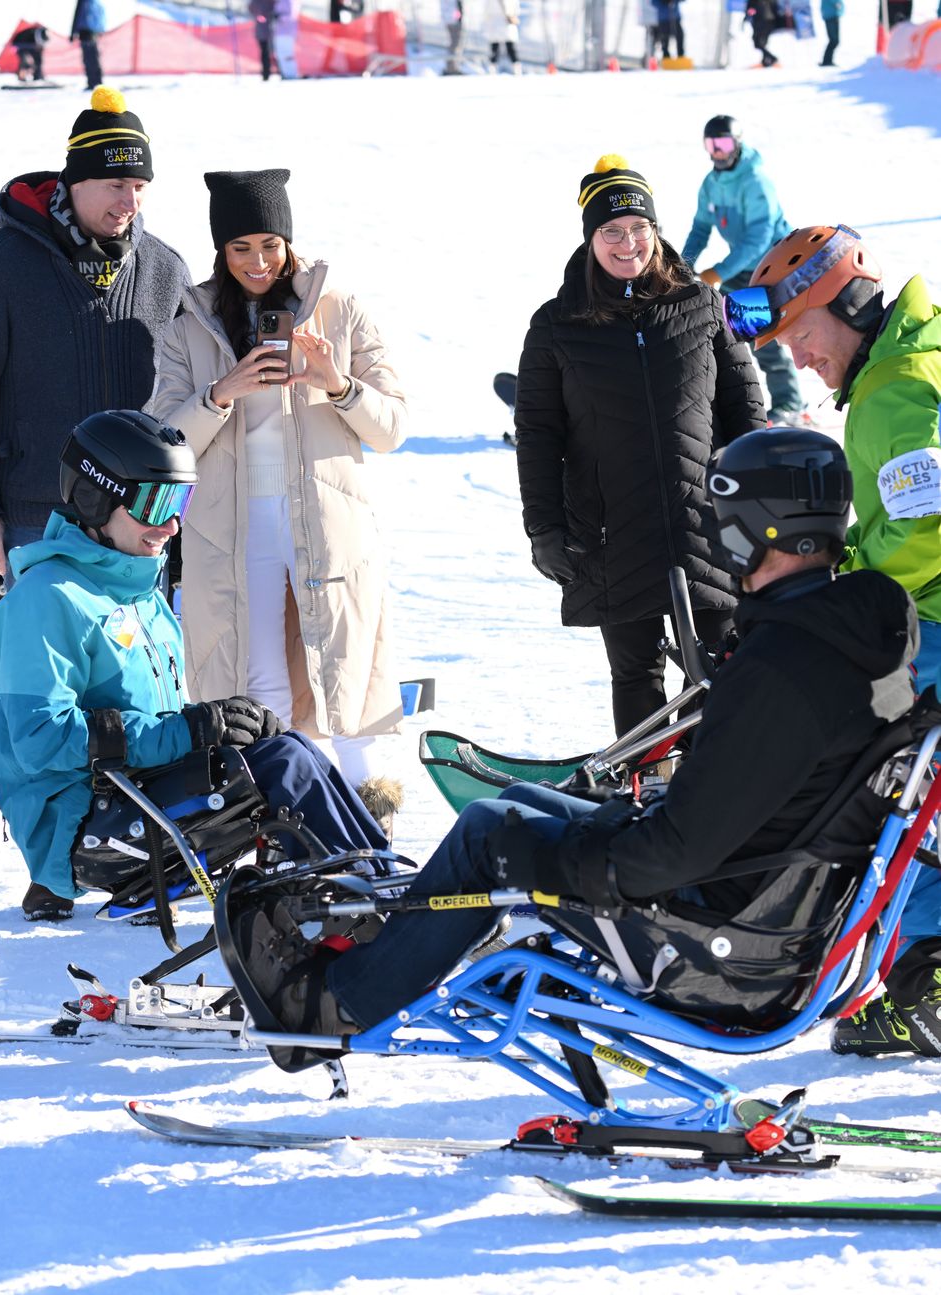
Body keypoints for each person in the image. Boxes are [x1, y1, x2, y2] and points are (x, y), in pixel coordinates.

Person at [225, 428, 921, 1062]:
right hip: (760, 917)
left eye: (724, 522)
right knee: (527, 802)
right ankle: (382, 955)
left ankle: (328, 1007)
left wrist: (563, 855)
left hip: (721, 952)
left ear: (756, 531)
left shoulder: (782, 674)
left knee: (490, 833)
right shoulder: (861, 647)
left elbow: (673, 853)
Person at [0, 411, 389, 922]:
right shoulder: (45, 602)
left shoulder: (137, 590)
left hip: (128, 795)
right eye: (155, 503)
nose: (171, 525)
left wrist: (215, 722)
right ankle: (373, 898)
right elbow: (40, 738)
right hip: (80, 826)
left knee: (287, 746)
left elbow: (154, 717)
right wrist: (191, 731)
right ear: (95, 499)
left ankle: (382, 877)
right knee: (281, 765)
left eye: (179, 503)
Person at [722, 225, 941, 1054]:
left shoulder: (894, 391)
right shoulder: (925, 343)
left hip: (932, 617)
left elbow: (923, 531)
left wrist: (845, 585)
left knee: (900, 795)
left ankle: (928, 981)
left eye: (803, 333)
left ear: (845, 302)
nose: (802, 356)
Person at [152, 170, 406, 790]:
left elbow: (392, 426)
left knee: (343, 673)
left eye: (269, 244)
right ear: (221, 252)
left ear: (289, 243)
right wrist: (220, 393)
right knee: (254, 676)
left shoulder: (340, 310)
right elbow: (162, 438)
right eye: (240, 249)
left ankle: (372, 813)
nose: (257, 262)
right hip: (232, 527)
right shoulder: (191, 322)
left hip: (325, 518)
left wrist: (338, 384)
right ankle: (279, 814)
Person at [515, 153, 765, 739]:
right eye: (611, 231)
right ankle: (644, 794)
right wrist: (543, 529)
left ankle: (712, 797)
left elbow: (745, 408)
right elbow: (538, 435)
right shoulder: (556, 325)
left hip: (708, 522)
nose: (627, 243)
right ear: (590, 237)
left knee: (725, 668)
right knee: (636, 674)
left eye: (638, 228)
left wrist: (759, 503)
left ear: (656, 230)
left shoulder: (702, 306)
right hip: (612, 531)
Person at [0, 87, 190, 587]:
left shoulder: (164, 269)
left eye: (139, 185)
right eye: (114, 184)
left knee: (128, 663)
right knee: (43, 661)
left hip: (138, 518)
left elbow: (186, 395)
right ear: (76, 180)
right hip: (35, 519)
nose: (129, 202)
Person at [681, 114, 804, 424]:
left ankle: (790, 403)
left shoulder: (755, 180)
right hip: (743, 266)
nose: (716, 151)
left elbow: (759, 238)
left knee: (761, 330)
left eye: (722, 144)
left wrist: (719, 271)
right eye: (711, 144)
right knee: (720, 325)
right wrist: (683, 265)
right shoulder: (711, 184)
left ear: (736, 144)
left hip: (771, 265)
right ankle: (724, 401)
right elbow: (700, 228)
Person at [71, 1, 106, 90]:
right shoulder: (96, 2)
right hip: (92, 32)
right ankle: (97, 81)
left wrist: (73, 32)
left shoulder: (85, 2)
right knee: (93, 57)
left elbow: (78, 15)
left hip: (86, 32)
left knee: (89, 58)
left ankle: (93, 82)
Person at [485, 0, 520, 72]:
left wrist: (513, 16)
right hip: (498, 23)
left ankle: (516, 69)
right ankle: (492, 69)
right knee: (496, 48)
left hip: (505, 23)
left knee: (509, 47)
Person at [745, 0, 780, 67]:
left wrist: (750, 14)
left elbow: (751, 10)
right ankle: (765, 61)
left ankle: (772, 58)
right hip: (770, 20)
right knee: (762, 42)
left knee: (757, 42)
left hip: (761, 21)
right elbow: (775, 8)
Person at [249, 0, 277, 81]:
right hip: (265, 31)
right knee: (266, 53)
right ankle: (266, 73)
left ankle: (268, 72)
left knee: (268, 53)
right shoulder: (258, 2)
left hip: (271, 31)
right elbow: (252, 9)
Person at [441, 0, 465, 74]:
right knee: (454, 44)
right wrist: (457, 18)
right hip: (453, 20)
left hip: (453, 19)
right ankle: (451, 68)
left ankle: (453, 66)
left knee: (455, 44)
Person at [819, 0, 843, 66]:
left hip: (832, 16)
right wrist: (838, 4)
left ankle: (827, 60)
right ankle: (827, 61)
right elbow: (837, 3)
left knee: (834, 40)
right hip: (831, 17)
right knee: (834, 40)